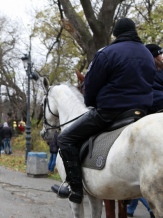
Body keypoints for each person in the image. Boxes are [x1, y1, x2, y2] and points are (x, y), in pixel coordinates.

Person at [51, 18, 156, 204]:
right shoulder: (148, 54)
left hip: (111, 111)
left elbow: (91, 84)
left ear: (115, 34)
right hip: (141, 112)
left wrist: (90, 103)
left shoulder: (107, 53)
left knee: (65, 138)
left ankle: (75, 189)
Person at [145, 44, 163, 113]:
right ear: (155, 56)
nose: (162, 58)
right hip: (162, 107)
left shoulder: (138, 70)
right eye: (160, 55)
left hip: (142, 107)